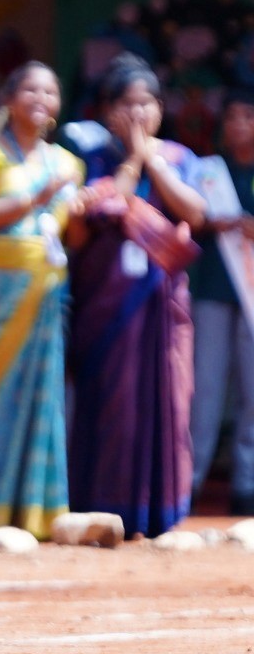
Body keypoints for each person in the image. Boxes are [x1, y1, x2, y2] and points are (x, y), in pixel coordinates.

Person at [61, 53, 205, 538]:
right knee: (112, 404)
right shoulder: (91, 158)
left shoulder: (181, 159)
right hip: (106, 306)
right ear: (107, 111)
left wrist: (153, 159)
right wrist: (132, 159)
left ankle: (161, 514)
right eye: (127, 103)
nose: (138, 113)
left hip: (161, 303)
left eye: (147, 103)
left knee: (170, 400)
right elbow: (101, 208)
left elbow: (194, 213)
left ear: (161, 108)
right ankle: (106, 509)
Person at [0, 62, 84, 540]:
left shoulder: (68, 164)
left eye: (50, 90)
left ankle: (35, 513)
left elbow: (71, 232)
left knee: (41, 400)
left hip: (43, 295)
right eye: (30, 88)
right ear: (8, 97)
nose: (41, 98)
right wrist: (37, 196)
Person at [188, 89, 254, 517]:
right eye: (231, 116)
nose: (239, 125)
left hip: (251, 295)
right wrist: (216, 223)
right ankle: (188, 482)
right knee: (205, 390)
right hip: (212, 288)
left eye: (248, 116)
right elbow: (187, 219)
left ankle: (247, 486)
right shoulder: (206, 171)